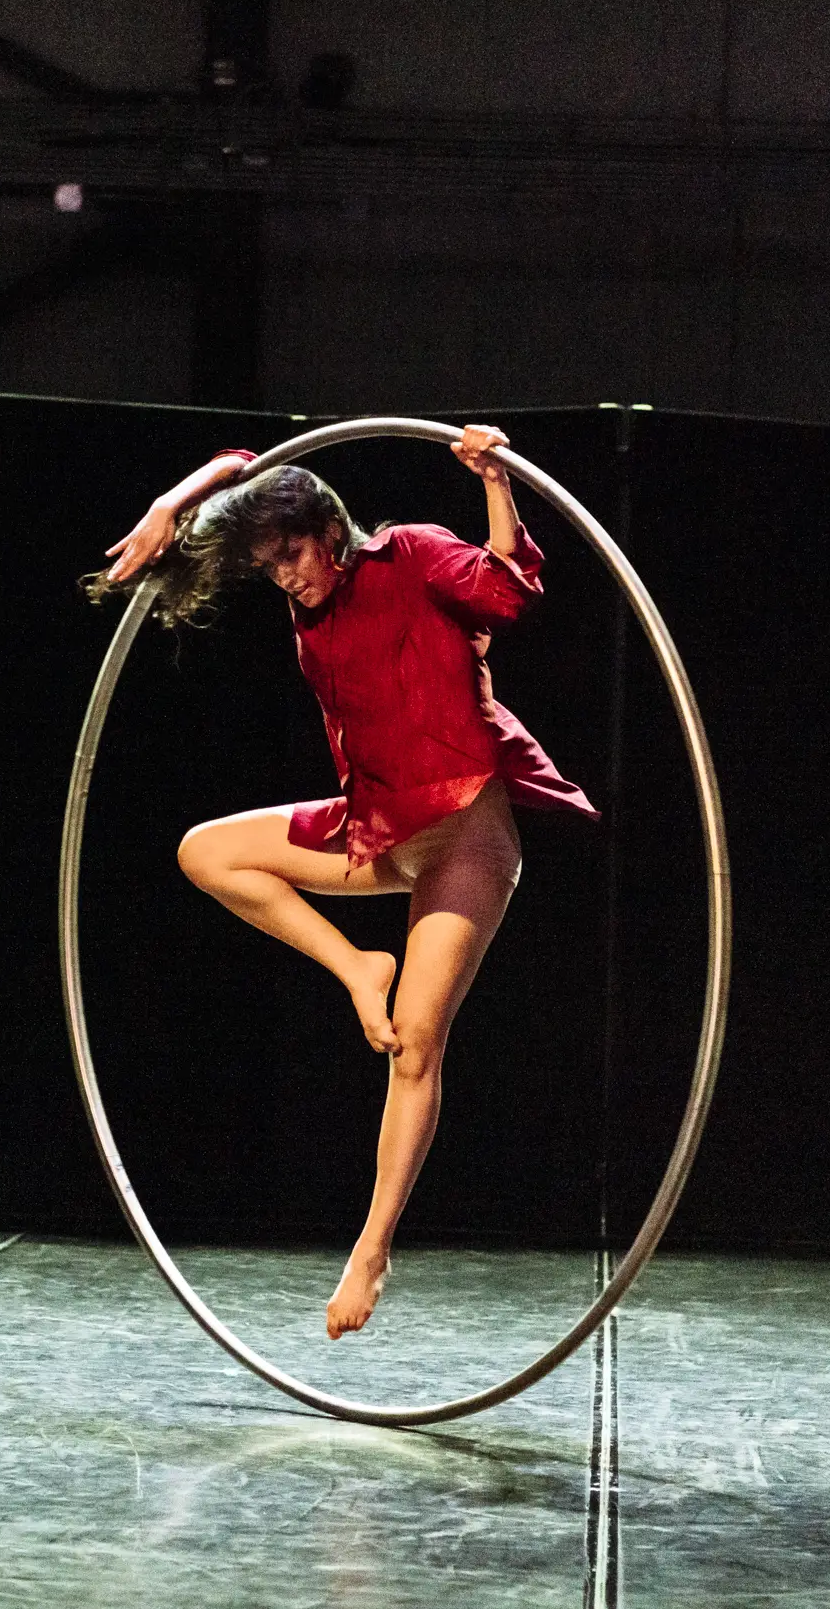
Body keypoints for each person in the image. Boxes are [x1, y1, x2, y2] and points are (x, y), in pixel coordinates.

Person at [92, 426, 596, 1339]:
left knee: (415, 1042)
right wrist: (172, 504)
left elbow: (510, 590)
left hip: (462, 835)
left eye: (291, 556)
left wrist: (493, 483)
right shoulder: (305, 595)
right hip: (374, 826)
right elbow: (244, 473)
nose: (285, 577)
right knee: (205, 852)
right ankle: (357, 966)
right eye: (269, 566)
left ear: (329, 529)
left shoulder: (410, 553)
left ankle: (371, 1246)